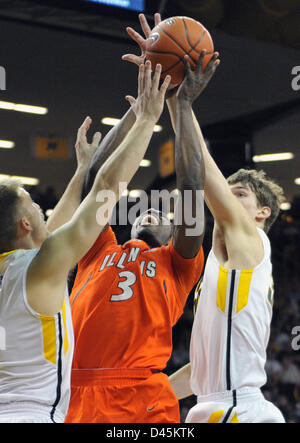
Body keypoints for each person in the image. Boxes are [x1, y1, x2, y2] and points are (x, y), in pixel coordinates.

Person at [0, 60, 167, 423]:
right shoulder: (38, 266)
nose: (46, 210)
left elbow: (58, 219)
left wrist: (80, 171)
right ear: (25, 223)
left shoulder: (19, 264)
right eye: (36, 206)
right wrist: (147, 118)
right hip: (32, 415)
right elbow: (106, 190)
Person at [64, 50, 221, 423]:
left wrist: (181, 105)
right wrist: (141, 108)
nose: (155, 212)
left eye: (166, 215)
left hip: (141, 396)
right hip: (75, 391)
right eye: (150, 209)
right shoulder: (98, 249)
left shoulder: (178, 264)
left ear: (175, 232)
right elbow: (96, 179)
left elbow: (192, 187)